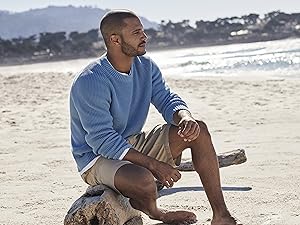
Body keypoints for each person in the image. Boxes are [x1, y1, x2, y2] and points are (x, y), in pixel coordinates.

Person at [69, 9, 240, 225]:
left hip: (130, 143)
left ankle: (221, 216)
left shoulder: (146, 66)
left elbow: (167, 99)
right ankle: (155, 211)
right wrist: (154, 165)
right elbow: (101, 140)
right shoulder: (91, 80)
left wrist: (185, 117)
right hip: (95, 157)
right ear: (115, 39)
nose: (144, 36)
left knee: (199, 130)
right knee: (144, 179)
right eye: (136, 32)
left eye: (143, 31)